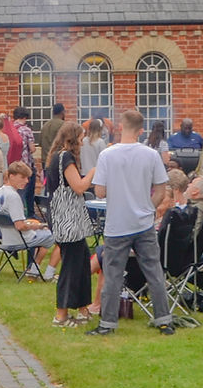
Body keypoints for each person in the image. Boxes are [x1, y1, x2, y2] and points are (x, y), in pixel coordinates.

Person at [91, 107, 174, 335]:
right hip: (144, 223)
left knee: (112, 275)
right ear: (141, 130)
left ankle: (107, 324)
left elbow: (99, 191)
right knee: (154, 272)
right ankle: (164, 320)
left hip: (117, 224)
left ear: (120, 127)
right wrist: (149, 208)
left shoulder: (107, 155)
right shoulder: (151, 155)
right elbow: (161, 190)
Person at [44, 122, 97, 327]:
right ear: (73, 138)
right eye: (81, 138)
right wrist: (94, 171)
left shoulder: (56, 156)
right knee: (71, 266)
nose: (83, 142)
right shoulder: (65, 157)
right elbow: (79, 187)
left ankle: (83, 309)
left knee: (82, 261)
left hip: (64, 218)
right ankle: (61, 315)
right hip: (68, 221)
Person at [0, 162, 53, 277]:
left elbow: (11, 219)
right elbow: (20, 226)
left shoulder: (0, 192)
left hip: (6, 237)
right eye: (22, 177)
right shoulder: (13, 196)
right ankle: (34, 270)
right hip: (19, 239)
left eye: (27, 178)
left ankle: (33, 268)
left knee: (40, 229)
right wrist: (38, 226)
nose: (27, 181)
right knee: (51, 235)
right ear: (11, 176)